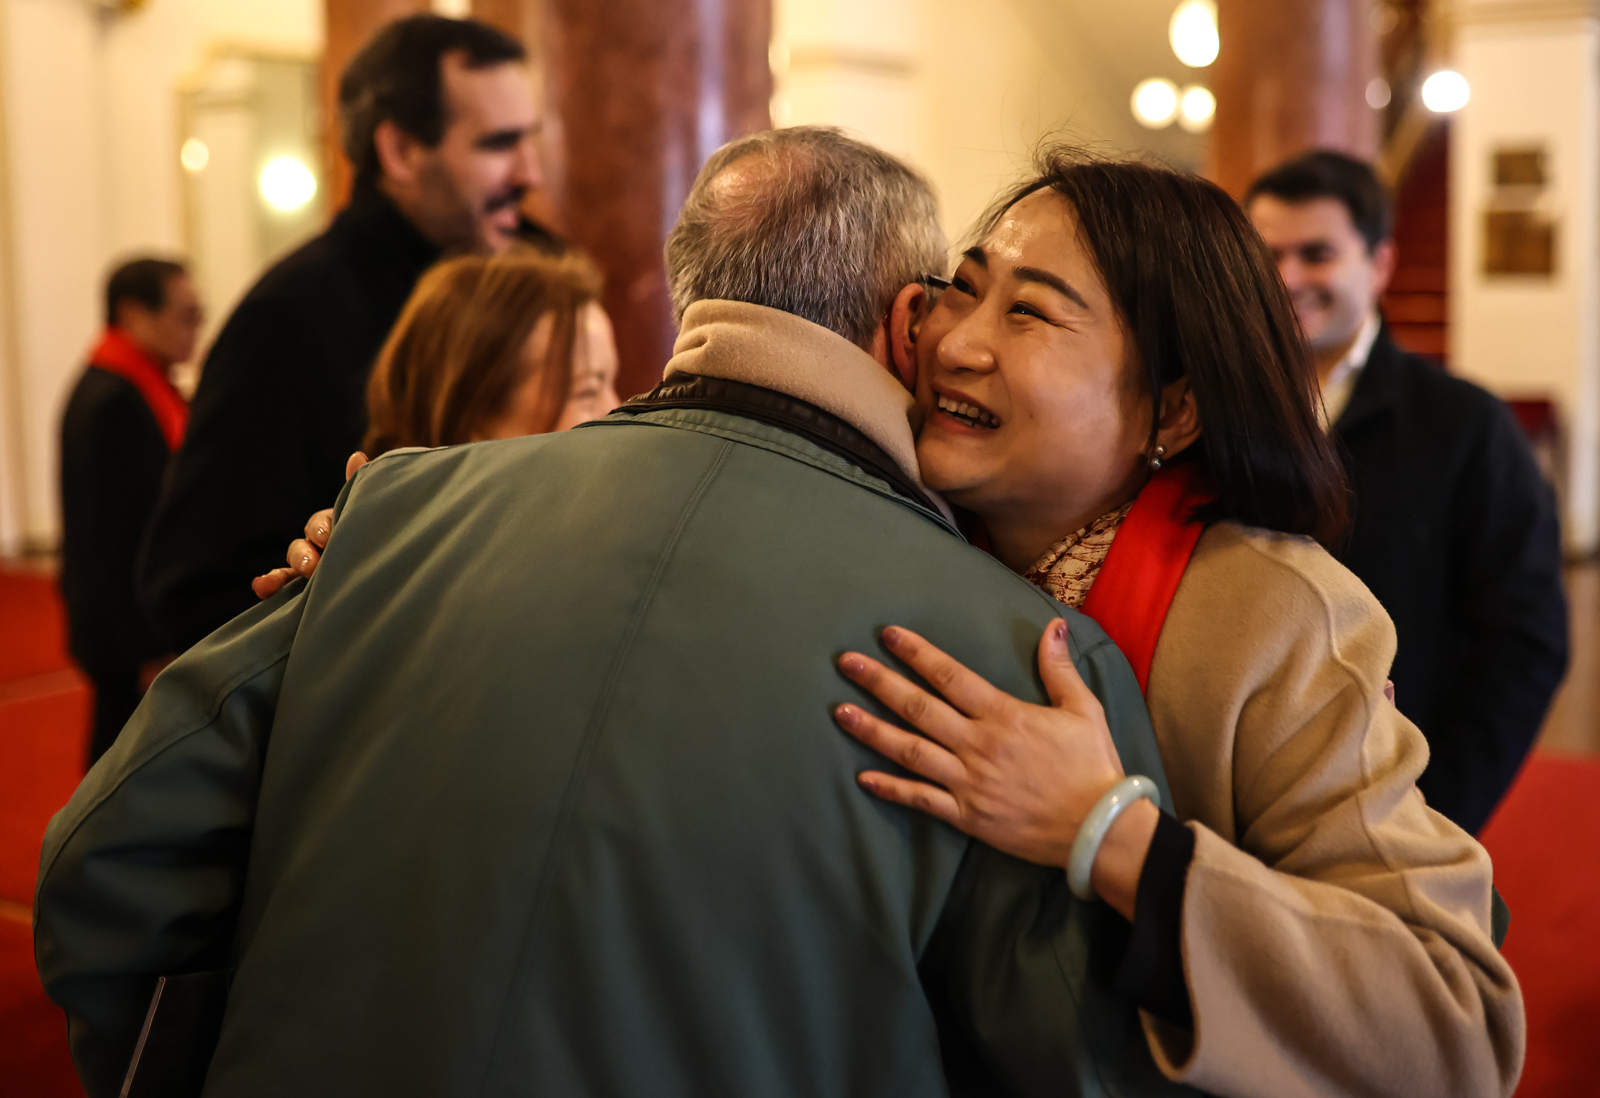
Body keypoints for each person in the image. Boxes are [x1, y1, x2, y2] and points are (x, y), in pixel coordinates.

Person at [36, 128, 1179, 1098]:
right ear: (905, 323)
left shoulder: (390, 511)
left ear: (696, 289)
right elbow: (1079, 1061)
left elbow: (104, 860)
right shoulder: (1025, 666)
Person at [826, 151, 1521, 1097]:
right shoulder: (890, 546)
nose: (956, 342)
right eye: (963, 288)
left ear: (1176, 407)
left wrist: (1108, 832)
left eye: (1027, 311)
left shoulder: (1274, 618)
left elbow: (1455, 1025)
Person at [136, 13, 554, 656]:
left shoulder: (540, 271)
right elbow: (192, 594)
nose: (532, 174)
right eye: (498, 144)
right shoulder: (288, 320)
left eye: (531, 139)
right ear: (401, 152)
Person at [1245, 150, 1568, 834]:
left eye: (1317, 253)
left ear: (1381, 264)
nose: (1288, 277)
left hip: (1396, 793)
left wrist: (1439, 807)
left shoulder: (1466, 426)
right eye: (1268, 254)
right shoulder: (1214, 410)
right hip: (1237, 783)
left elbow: (1526, 640)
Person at [251, 248, 619, 598]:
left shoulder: (611, 535)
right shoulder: (403, 573)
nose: (618, 409)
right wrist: (318, 597)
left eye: (613, 383)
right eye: (588, 390)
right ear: (472, 414)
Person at [59, 258, 202, 764]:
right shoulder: (113, 401)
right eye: (186, 315)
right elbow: (108, 540)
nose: (196, 330)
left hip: (132, 622)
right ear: (133, 313)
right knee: (118, 766)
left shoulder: (141, 386)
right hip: (127, 633)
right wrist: (145, 648)